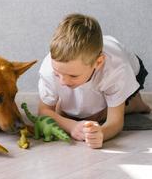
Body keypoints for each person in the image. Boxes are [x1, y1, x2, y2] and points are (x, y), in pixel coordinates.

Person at [38, 13, 150, 149]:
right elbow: (44, 111)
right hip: (91, 67)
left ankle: (134, 104)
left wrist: (101, 132)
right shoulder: (50, 67)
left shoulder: (116, 68)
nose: (62, 82)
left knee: (95, 117)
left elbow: (115, 122)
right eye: (57, 73)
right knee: (66, 112)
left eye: (73, 76)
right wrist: (72, 126)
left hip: (131, 71)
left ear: (98, 62)